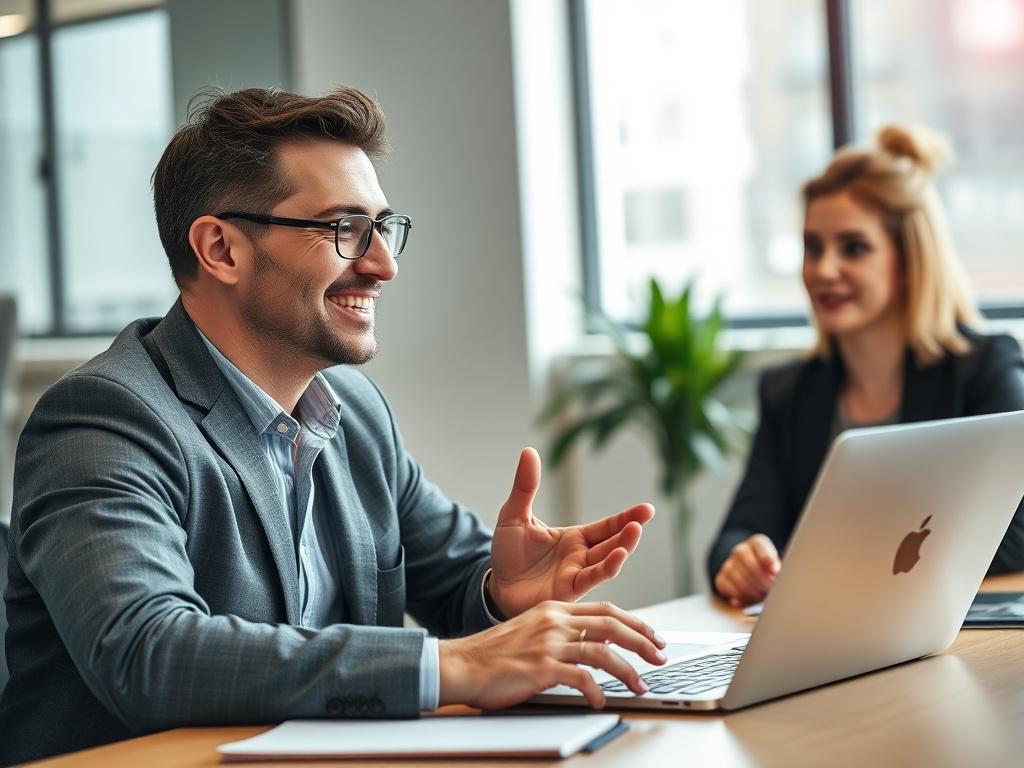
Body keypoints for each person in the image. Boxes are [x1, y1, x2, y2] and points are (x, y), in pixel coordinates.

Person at [0, 87, 668, 765]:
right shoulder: (104, 418)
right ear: (221, 249)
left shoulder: (356, 412)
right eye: (345, 229)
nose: (384, 264)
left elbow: (454, 585)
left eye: (384, 226)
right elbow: (148, 651)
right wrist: (444, 669)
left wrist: (499, 592)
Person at [708, 123, 1024, 607]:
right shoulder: (787, 392)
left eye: (853, 248)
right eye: (813, 247)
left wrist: (852, 563)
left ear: (909, 261)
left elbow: (1017, 535)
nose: (823, 269)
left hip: (939, 626)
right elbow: (736, 535)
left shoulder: (983, 371)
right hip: (827, 633)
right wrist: (741, 558)